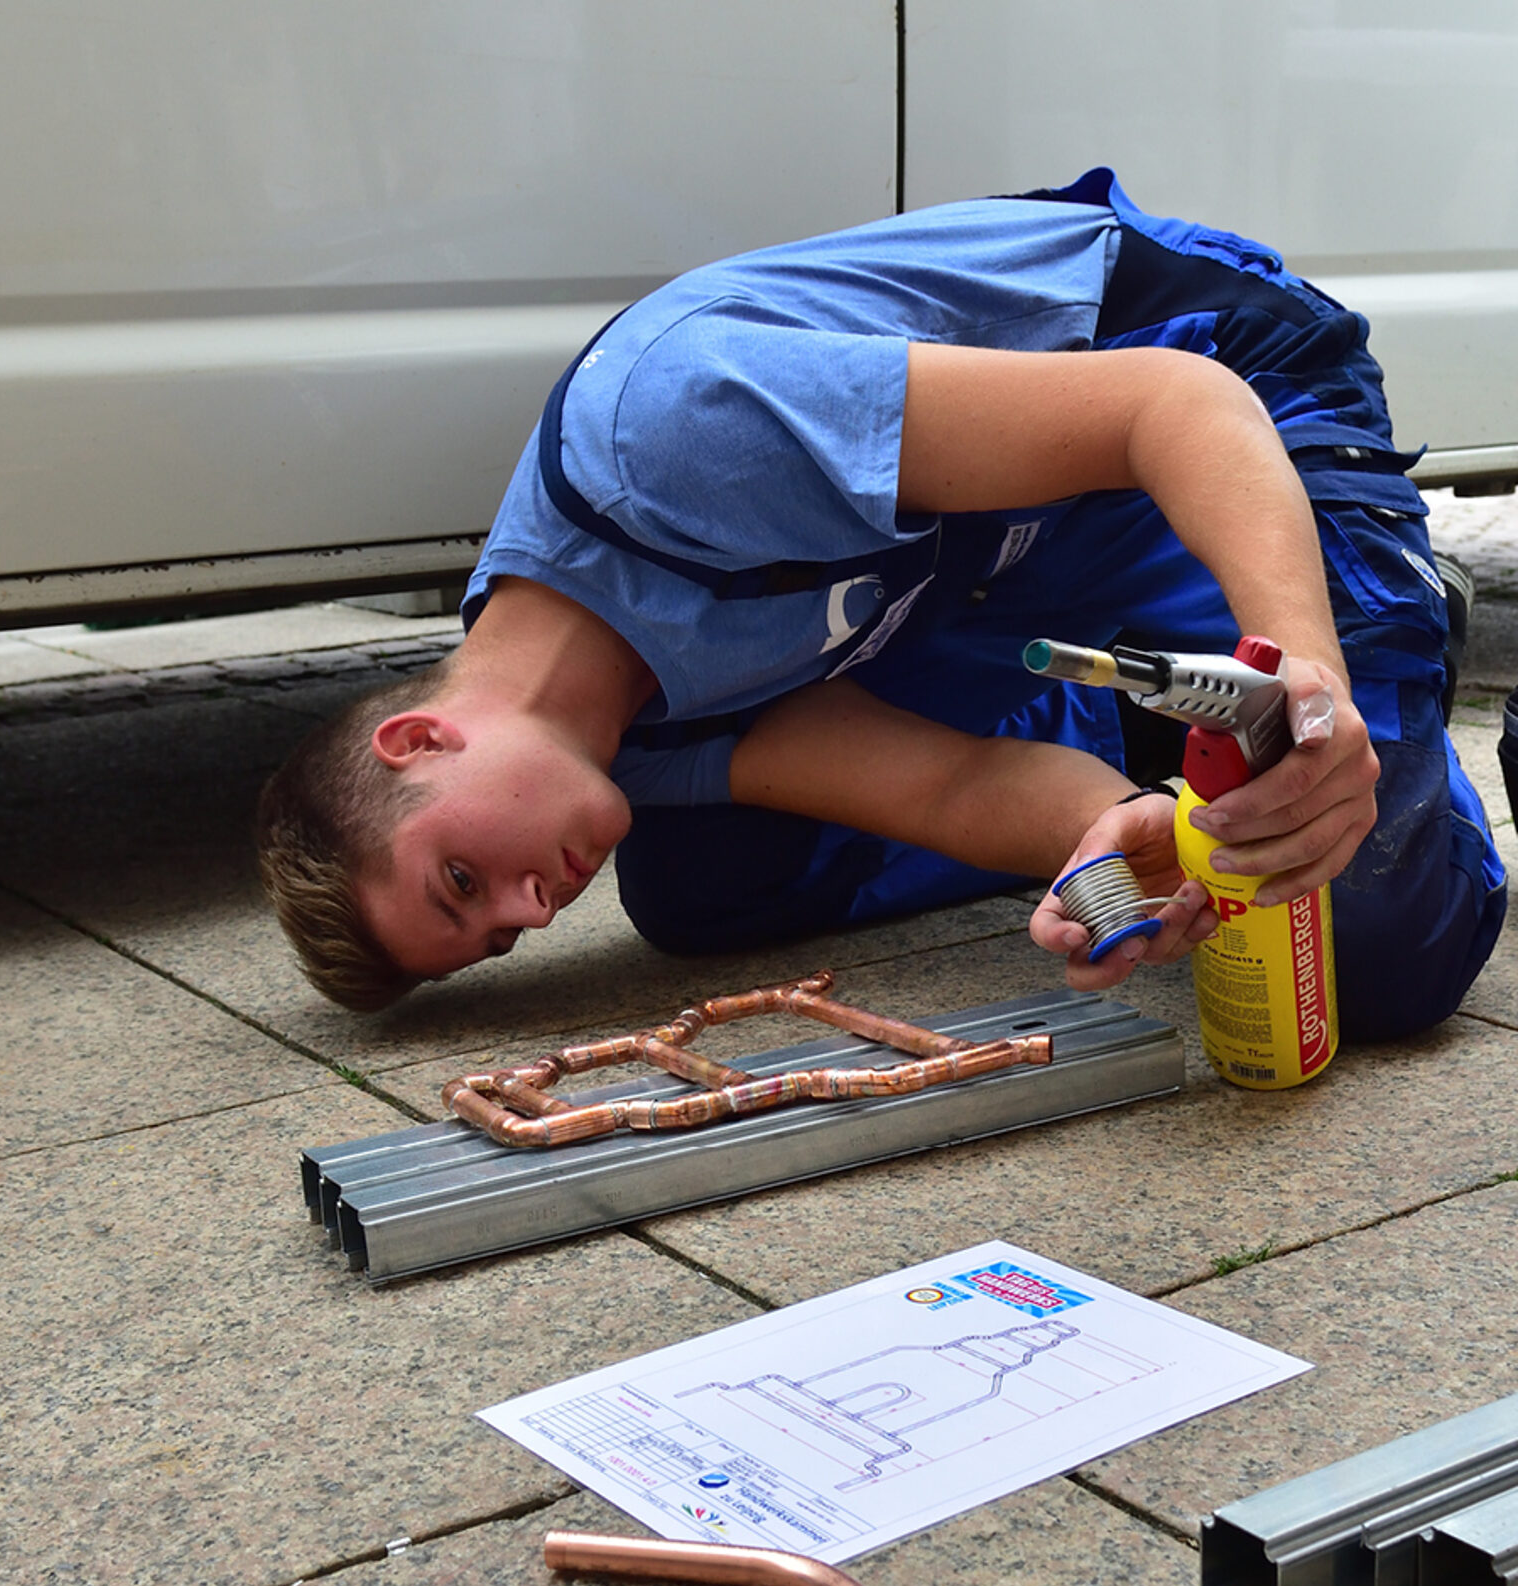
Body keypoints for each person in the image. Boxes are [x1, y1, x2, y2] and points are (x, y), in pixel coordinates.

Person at [257, 168, 1506, 1036]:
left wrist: (1313, 686)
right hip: (1003, 561)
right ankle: (1158, 708)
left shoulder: (672, 439)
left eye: (463, 876)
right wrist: (1121, 850)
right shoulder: (635, 749)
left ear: (417, 739)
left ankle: (1378, 608)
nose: (535, 905)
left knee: (1373, 947)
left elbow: (1170, 404)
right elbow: (950, 792)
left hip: (1208, 376)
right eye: (502, 937)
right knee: (699, 890)